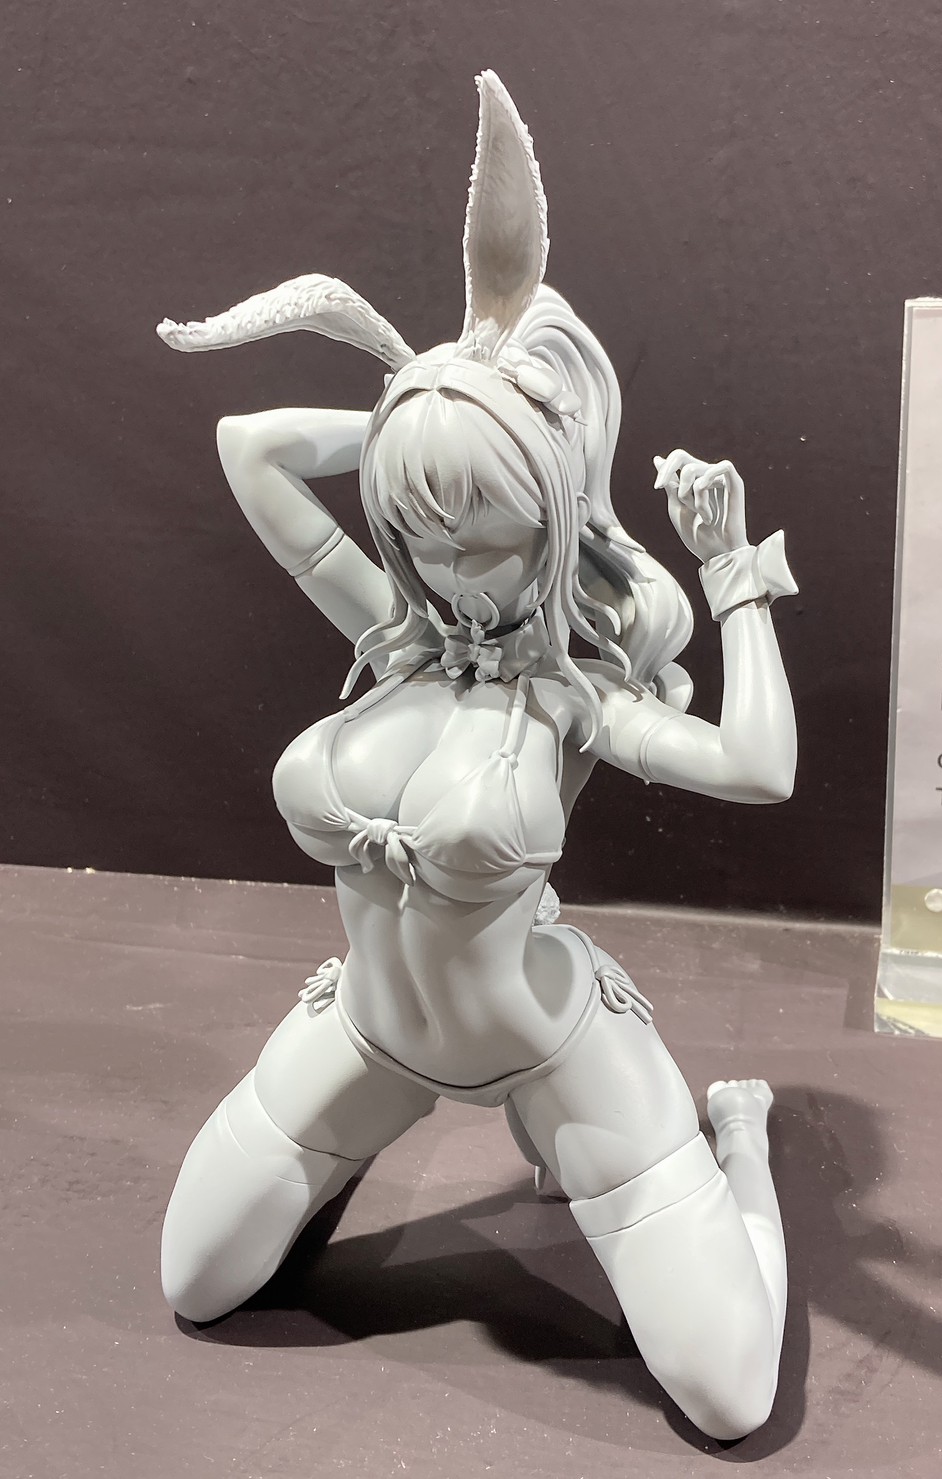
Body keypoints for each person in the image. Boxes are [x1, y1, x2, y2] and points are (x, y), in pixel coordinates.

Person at [156, 71, 798, 1442]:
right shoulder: (390, 635)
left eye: (485, 532)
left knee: (730, 1398)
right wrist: (428, 413)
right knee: (194, 1285)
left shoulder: (571, 697)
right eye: (418, 529)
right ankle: (342, 1166)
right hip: (366, 1034)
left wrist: (733, 578)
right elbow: (249, 447)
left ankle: (735, 1143)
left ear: (552, 520)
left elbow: (758, 768)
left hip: (554, 1048)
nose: (447, 564)